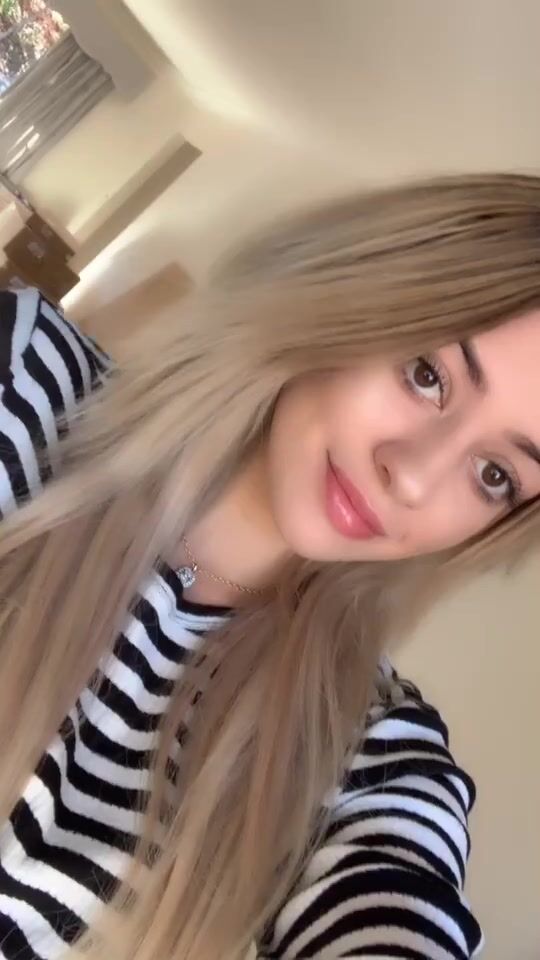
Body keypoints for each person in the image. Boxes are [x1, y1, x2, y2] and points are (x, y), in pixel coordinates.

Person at [0, 173, 539, 960]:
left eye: (495, 475)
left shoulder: (369, 752)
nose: (414, 477)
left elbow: (394, 905)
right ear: (353, 289)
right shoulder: (21, 377)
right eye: (429, 374)